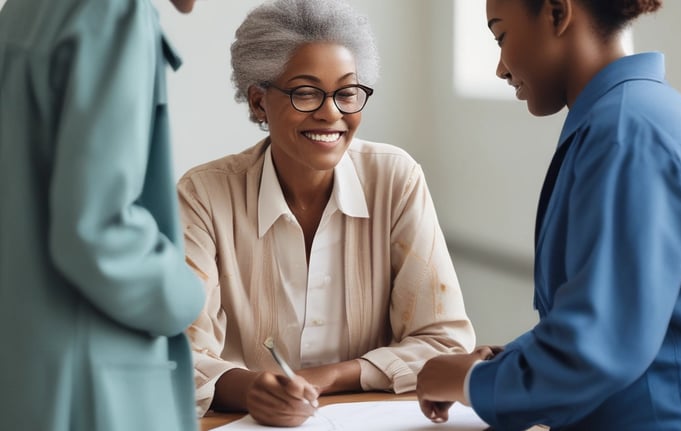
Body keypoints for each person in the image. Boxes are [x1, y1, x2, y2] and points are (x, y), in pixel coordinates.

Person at [416, 0, 681, 430]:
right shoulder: (620, 118)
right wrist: (511, 362)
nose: (501, 68)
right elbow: (605, 313)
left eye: (501, 36)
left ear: (557, 13)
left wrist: (472, 381)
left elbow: (604, 345)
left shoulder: (628, 130)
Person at [176, 0, 476, 427]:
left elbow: (445, 344)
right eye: (305, 92)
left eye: (347, 92)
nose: (332, 112)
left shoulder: (395, 179)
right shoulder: (203, 194)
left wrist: (327, 377)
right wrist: (250, 388)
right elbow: (174, 353)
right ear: (259, 102)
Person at [0, 0, 205, 430]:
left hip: (29, 374)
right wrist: (186, 295)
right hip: (92, 385)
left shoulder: (25, 8)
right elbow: (94, 232)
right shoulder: (114, 11)